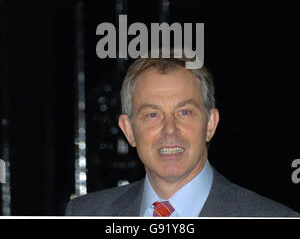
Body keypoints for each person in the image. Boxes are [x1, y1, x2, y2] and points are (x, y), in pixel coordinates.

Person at [65, 54, 299, 217]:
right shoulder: (85, 214)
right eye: (152, 114)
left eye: (184, 112)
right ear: (128, 130)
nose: (170, 129)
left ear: (210, 124)